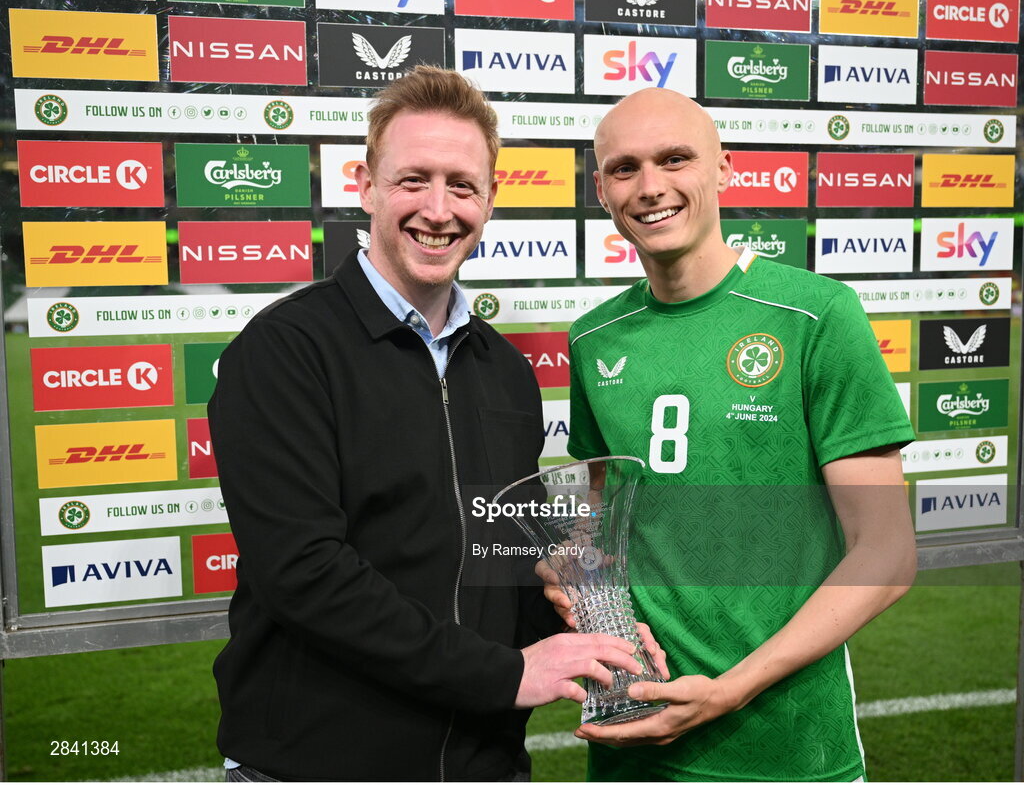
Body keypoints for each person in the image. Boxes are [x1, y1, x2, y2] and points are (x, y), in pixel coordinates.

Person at [208, 65, 646, 782]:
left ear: (490, 200)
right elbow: (304, 574)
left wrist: (588, 629)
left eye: (462, 186)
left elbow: (507, 558)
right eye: (414, 180)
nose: (438, 210)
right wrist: (504, 676)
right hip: (320, 767)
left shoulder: (503, 370)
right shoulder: (285, 350)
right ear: (366, 186)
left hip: (483, 765)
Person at [542, 88, 918, 781]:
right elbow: (603, 511)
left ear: (723, 169)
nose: (651, 187)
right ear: (600, 188)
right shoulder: (593, 339)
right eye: (624, 168)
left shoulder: (816, 316)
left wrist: (730, 689)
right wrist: (571, 568)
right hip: (631, 741)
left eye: (675, 158)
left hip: (783, 748)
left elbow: (887, 555)